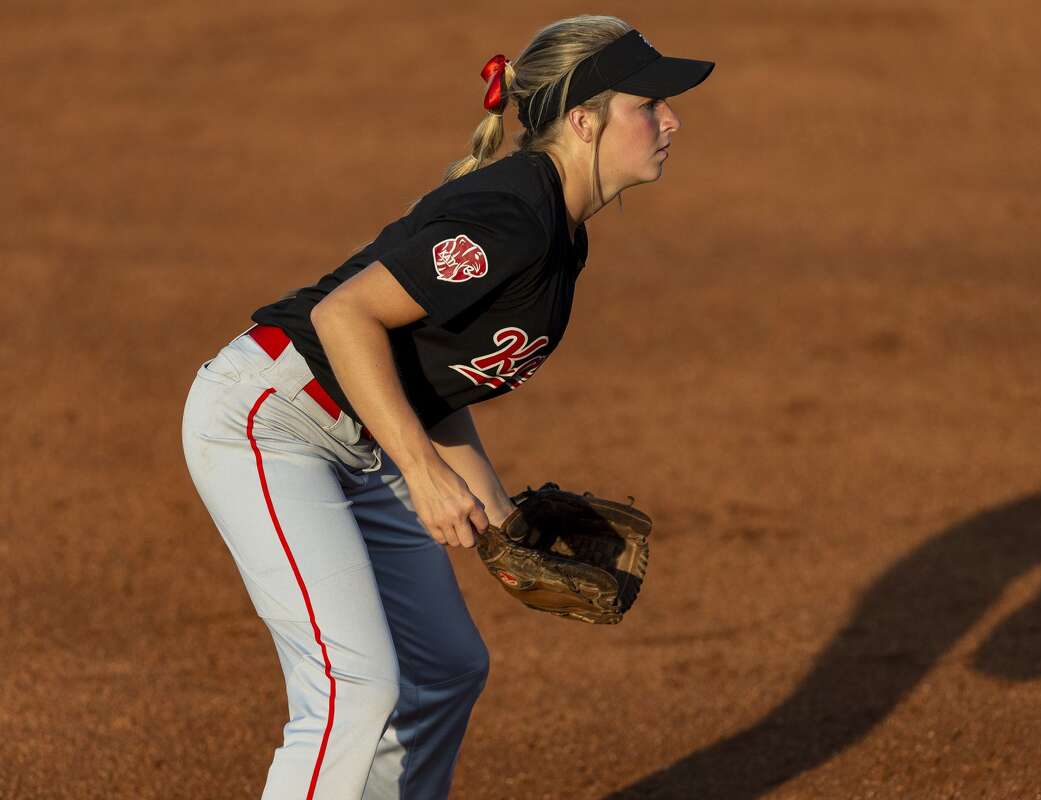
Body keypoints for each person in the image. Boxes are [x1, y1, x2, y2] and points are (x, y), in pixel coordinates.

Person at [180, 14, 714, 800]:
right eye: (649, 104)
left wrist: (498, 513)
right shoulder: (513, 214)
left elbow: (432, 378)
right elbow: (345, 318)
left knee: (447, 671)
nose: (671, 119)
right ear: (582, 119)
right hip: (271, 419)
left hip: (361, 432)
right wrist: (426, 475)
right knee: (354, 686)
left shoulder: (562, 235)